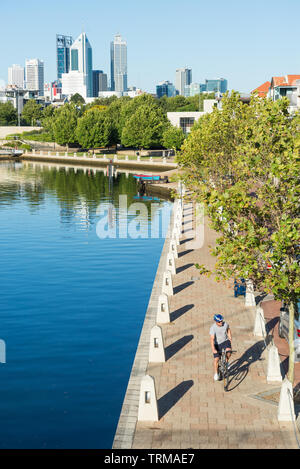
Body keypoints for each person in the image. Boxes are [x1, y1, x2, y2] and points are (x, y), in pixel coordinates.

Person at [209, 314, 232, 381]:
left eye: (221, 321)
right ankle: (216, 373)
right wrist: (213, 349)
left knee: (229, 352)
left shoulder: (225, 324)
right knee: (216, 359)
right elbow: (212, 339)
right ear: (216, 322)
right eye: (219, 322)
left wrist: (230, 338)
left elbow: (228, 329)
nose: (221, 322)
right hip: (217, 344)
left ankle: (227, 362)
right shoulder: (213, 328)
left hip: (225, 341)